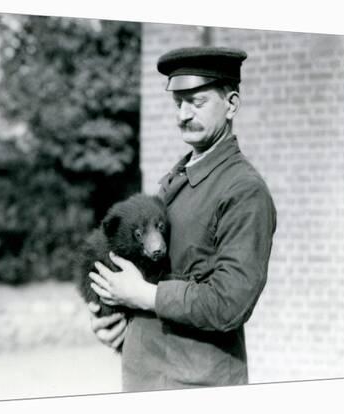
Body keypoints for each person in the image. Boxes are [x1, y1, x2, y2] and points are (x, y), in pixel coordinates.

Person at [88, 46, 277, 391]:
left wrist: (143, 296)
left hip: (197, 387)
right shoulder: (172, 184)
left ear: (232, 104)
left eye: (197, 102)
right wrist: (115, 322)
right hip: (144, 379)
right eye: (178, 103)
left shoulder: (243, 191)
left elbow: (229, 303)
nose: (183, 114)